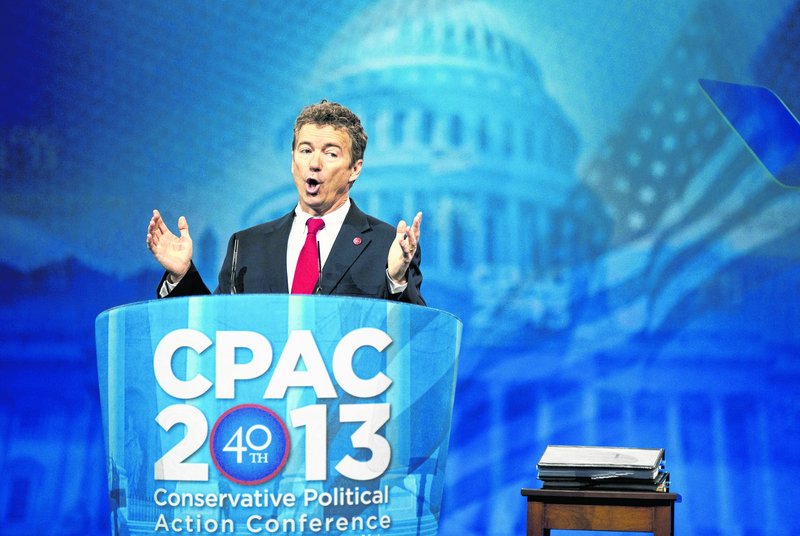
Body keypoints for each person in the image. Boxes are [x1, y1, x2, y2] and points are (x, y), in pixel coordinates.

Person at [146, 100, 424, 305]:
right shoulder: (246, 246)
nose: (314, 164)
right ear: (293, 161)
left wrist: (397, 281)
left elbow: (417, 342)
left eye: (330, 153)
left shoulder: (387, 246)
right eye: (305, 151)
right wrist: (182, 277)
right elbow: (216, 331)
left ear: (355, 169)